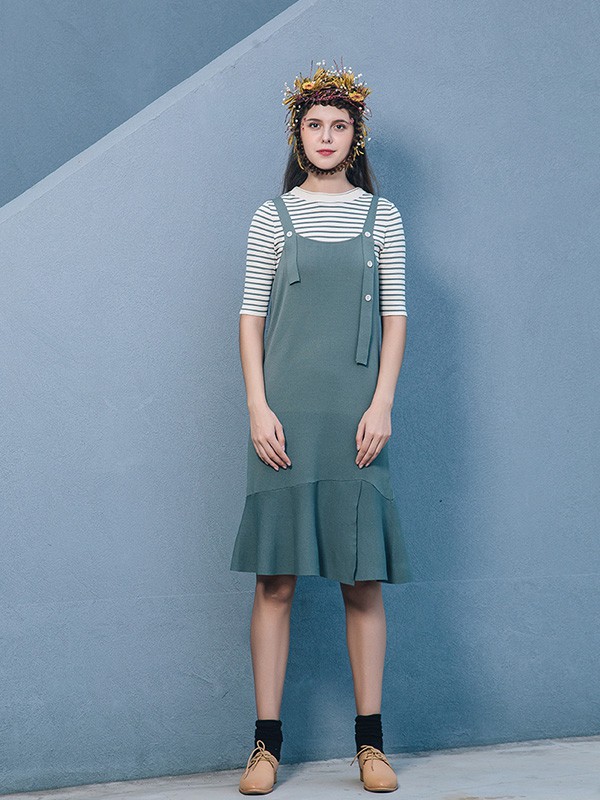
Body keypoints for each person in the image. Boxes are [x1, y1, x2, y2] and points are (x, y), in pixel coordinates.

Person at [230, 61, 413, 794]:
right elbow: (251, 317)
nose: (327, 137)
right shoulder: (271, 217)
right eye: (315, 125)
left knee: (362, 580)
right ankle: (264, 747)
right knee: (275, 582)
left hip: (356, 420)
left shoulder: (382, 217)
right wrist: (257, 406)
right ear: (298, 135)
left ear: (355, 136)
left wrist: (382, 403)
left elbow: (396, 316)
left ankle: (370, 745)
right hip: (283, 420)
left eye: (340, 126)